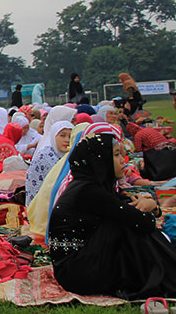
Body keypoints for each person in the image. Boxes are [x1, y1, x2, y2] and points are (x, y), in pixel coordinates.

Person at [49, 133, 176, 299]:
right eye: (116, 155)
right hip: (77, 273)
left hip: (77, 267)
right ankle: (167, 275)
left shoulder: (88, 185)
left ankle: (165, 272)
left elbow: (125, 205)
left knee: (125, 220)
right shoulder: (88, 191)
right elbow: (143, 223)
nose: (123, 160)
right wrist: (149, 208)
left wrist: (151, 208)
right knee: (126, 226)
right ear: (100, 159)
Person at [25, 121, 73, 205]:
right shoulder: (46, 156)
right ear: (54, 136)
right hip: (43, 205)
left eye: (70, 136)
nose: (67, 140)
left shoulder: (71, 155)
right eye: (62, 135)